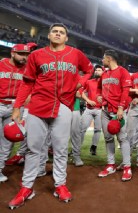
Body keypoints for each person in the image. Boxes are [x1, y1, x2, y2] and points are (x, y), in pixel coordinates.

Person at [9, 23, 93, 209]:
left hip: (63, 105)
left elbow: (89, 70)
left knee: (61, 148)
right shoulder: (36, 55)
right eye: (55, 31)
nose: (58, 34)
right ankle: (26, 188)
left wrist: (80, 82)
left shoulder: (75, 54)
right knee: (33, 148)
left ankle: (60, 185)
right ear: (48, 35)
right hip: (38, 104)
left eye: (61, 32)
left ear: (66, 38)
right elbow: (27, 83)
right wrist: (17, 107)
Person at [97, 50, 132, 181]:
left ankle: (127, 167)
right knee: (108, 138)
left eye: (103, 58)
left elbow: (126, 91)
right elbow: (99, 88)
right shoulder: (104, 74)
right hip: (105, 111)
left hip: (118, 110)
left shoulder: (123, 71)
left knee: (122, 138)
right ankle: (110, 164)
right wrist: (98, 96)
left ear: (109, 59)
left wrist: (121, 107)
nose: (102, 60)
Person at [0, 44, 30, 183]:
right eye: (21, 54)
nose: (24, 57)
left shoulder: (27, 70)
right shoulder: (1, 64)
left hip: (15, 107)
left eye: (26, 54)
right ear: (12, 53)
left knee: (8, 140)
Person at [79, 65, 104, 156]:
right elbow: (82, 93)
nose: (97, 71)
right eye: (96, 70)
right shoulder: (89, 82)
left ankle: (93, 148)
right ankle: (77, 148)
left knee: (97, 130)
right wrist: (88, 100)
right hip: (88, 109)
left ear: (103, 72)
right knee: (81, 129)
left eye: (99, 70)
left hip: (100, 109)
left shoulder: (105, 83)